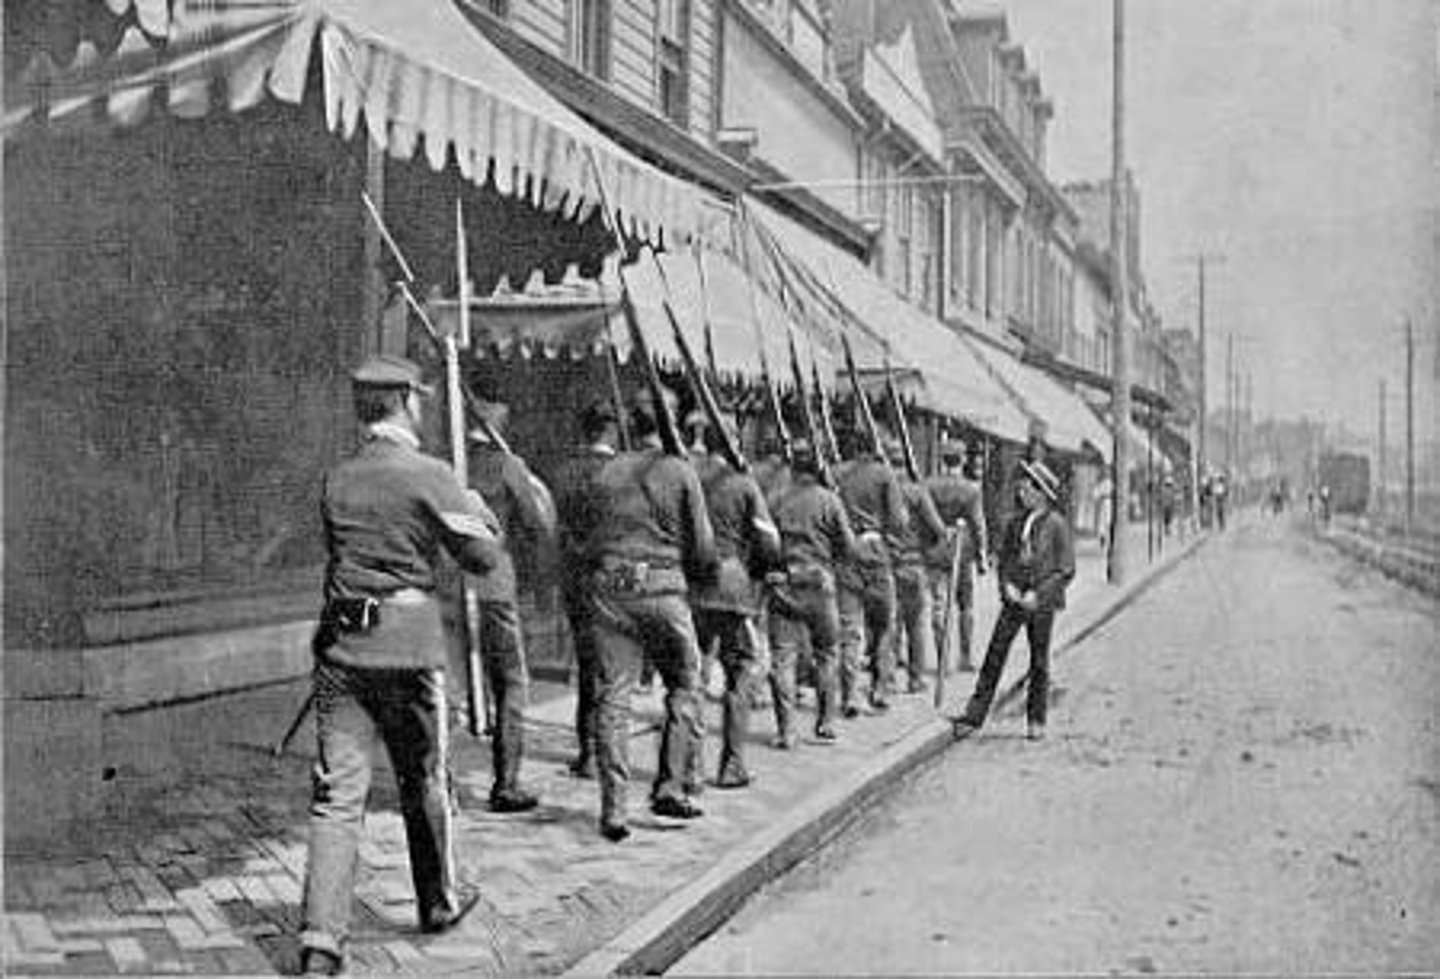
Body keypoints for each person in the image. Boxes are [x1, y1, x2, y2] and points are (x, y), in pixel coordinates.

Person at [299, 356, 504, 975]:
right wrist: (474, 509)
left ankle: (320, 942)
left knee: (337, 798)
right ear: (407, 403)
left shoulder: (337, 477)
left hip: (342, 649)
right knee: (426, 778)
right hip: (410, 650)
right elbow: (483, 559)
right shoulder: (431, 474)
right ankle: (439, 901)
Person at [586, 389, 718, 841]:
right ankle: (671, 786)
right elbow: (702, 547)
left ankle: (614, 808)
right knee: (685, 683)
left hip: (611, 587)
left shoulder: (607, 472)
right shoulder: (679, 470)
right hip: (663, 587)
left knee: (614, 697)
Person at [458, 401, 558, 813]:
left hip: (450, 584)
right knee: (511, 684)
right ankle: (506, 782)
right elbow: (537, 522)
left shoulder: (450, 460)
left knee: (446, 691)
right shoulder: (507, 464)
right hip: (494, 583)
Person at [952, 459, 1074, 742]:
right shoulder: (1014, 522)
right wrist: (1006, 585)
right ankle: (974, 714)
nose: (1022, 491)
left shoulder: (1057, 525)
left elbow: (1066, 569)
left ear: (1042, 493)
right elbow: (1005, 559)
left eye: (1029, 487)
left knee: (1039, 661)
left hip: (1040, 604)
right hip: (1013, 599)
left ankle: (1036, 720)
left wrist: (1039, 594)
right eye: (1022, 486)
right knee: (995, 654)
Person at [690, 410, 781, 786]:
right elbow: (767, 540)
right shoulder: (743, 484)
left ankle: (688, 768)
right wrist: (765, 572)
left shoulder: (690, 475)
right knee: (740, 672)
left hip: (693, 585)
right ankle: (731, 765)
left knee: (692, 678)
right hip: (731, 585)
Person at [549, 400, 623, 780]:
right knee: (612, 672)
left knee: (586, 666)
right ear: (611, 429)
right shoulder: (621, 474)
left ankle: (587, 750)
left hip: (576, 578)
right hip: (613, 581)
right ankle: (604, 752)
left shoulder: (565, 473)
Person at [766, 438, 858, 745]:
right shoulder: (829, 500)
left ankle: (786, 731)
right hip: (820, 583)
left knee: (783, 659)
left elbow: (764, 543)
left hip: (784, 584)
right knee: (827, 655)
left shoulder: (776, 499)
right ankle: (826, 722)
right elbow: (848, 547)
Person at [834, 428, 908, 716]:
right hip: (877, 553)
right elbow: (897, 520)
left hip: (847, 553)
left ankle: (850, 694)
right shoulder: (884, 474)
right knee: (883, 626)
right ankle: (879, 688)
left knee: (849, 629)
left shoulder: (837, 472)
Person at [883, 438, 946, 694]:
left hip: (886, 564)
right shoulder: (916, 492)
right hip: (913, 563)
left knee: (888, 625)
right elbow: (938, 528)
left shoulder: (881, 490)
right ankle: (915, 678)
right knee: (915, 624)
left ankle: (885, 680)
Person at [924, 437, 988, 673]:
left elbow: (923, 520)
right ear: (962, 461)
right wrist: (982, 556)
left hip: (936, 550)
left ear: (942, 460)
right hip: (963, 552)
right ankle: (965, 656)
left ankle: (942, 659)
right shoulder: (971, 489)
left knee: (939, 605)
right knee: (966, 605)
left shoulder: (929, 485)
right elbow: (978, 524)